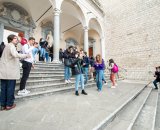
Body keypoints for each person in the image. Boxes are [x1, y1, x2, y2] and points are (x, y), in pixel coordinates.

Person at [0, 34, 30, 110]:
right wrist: (26, 55)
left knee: (4, 88)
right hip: (10, 72)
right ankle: (9, 104)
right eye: (15, 38)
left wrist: (19, 41)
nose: (17, 40)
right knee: (10, 88)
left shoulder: (7, 46)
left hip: (4, 72)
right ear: (10, 40)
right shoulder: (11, 46)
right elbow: (15, 54)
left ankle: (2, 104)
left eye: (17, 38)